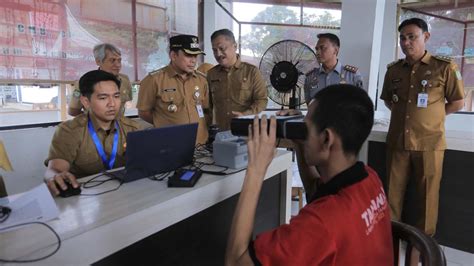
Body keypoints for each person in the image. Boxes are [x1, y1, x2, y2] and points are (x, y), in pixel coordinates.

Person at [225, 84, 393, 265]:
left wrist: (256, 169)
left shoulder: (318, 225)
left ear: (327, 139)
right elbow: (317, 194)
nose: (303, 133)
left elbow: (235, 261)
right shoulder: (370, 178)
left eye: (306, 128)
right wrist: (300, 146)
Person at [380, 18, 464, 236]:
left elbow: (457, 102)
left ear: (426, 37)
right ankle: (390, 241)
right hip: (398, 141)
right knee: (392, 195)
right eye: (402, 38)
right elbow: (389, 100)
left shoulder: (444, 67)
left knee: (427, 198)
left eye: (412, 37)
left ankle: (423, 247)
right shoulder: (394, 70)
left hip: (429, 143)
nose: (406, 42)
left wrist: (432, 117)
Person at [44, 70, 140, 196]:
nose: (112, 104)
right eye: (103, 98)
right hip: (85, 196)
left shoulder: (132, 128)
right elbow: (54, 169)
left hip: (124, 192)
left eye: (116, 96)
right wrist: (55, 175)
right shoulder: (69, 131)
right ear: (86, 102)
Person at [137, 35, 209, 145]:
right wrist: (164, 124)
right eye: (188, 55)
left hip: (200, 145)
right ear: (173, 55)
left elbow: (205, 109)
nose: (193, 60)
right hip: (170, 145)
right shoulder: (154, 80)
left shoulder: (201, 79)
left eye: (195, 56)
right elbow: (144, 112)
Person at [207, 29, 268, 131]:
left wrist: (244, 115)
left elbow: (261, 100)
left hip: (246, 131)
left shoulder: (251, 72)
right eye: (214, 50)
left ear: (235, 46)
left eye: (222, 48)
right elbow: (208, 107)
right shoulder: (211, 74)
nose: (218, 54)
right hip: (221, 134)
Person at [69, 43, 133, 117]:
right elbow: (73, 111)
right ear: (98, 61)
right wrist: (95, 121)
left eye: (119, 61)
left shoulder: (125, 80)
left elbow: (126, 103)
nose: (118, 65)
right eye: (112, 60)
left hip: (119, 126)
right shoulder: (85, 82)